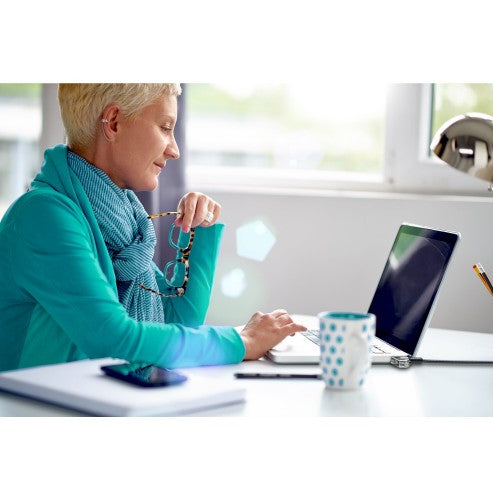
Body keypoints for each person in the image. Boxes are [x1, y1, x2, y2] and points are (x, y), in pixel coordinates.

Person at [0, 83, 306, 372]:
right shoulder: (44, 216)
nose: (174, 150)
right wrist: (242, 342)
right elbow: (113, 338)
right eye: (165, 127)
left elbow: (177, 320)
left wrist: (198, 230)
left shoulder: (122, 218)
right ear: (114, 122)